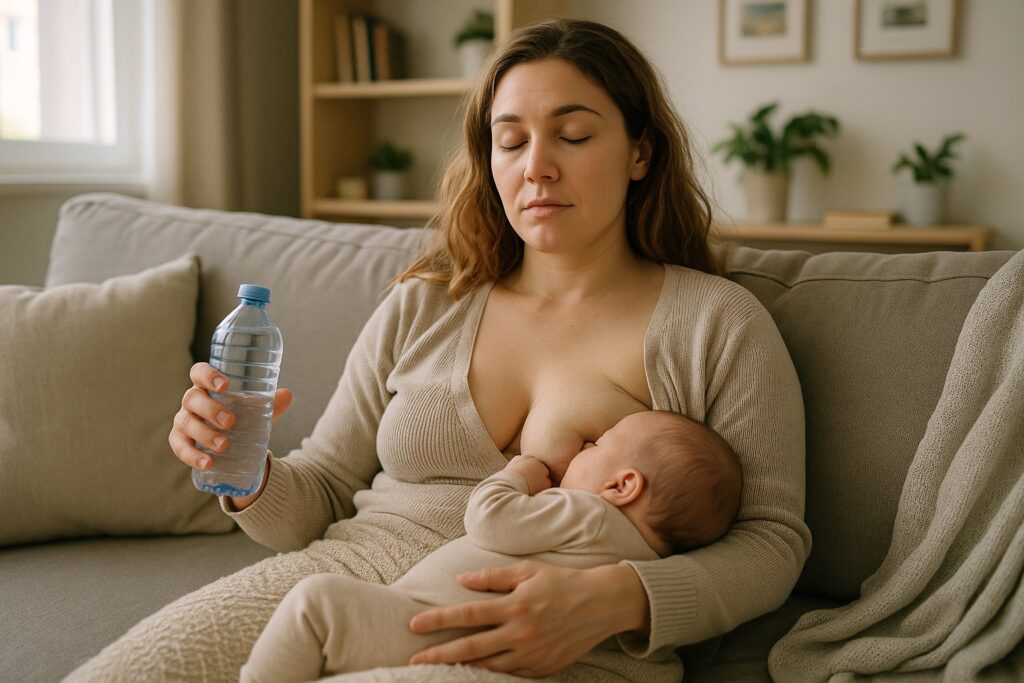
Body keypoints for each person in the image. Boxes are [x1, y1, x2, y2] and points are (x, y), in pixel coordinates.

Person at [68, 18, 809, 683]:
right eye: (510, 139)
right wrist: (242, 464)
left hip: (565, 637)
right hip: (347, 574)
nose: (536, 166)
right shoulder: (427, 302)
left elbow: (773, 541)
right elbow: (320, 494)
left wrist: (616, 598)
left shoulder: (716, 322)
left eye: (573, 135)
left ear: (640, 152)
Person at [240, 411, 743, 682]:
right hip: (486, 648)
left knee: (317, 602)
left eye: (596, 446)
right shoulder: (646, 557)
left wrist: (517, 473)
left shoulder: (585, 513)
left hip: (434, 629)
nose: (581, 451)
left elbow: (489, 520)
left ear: (622, 486)